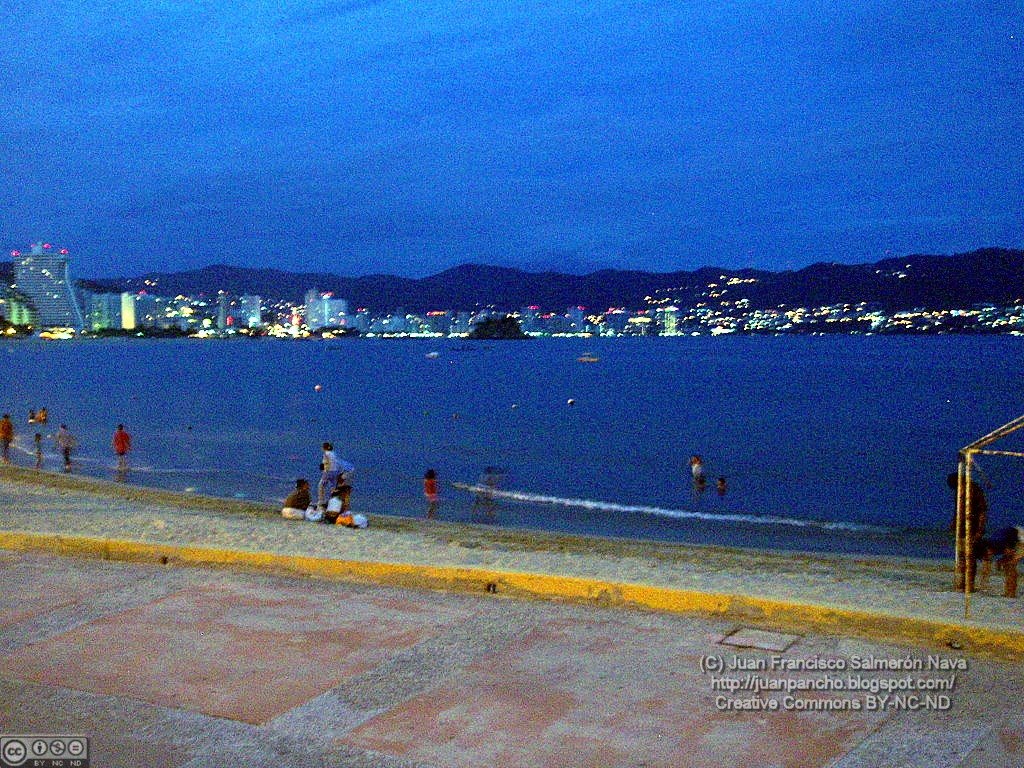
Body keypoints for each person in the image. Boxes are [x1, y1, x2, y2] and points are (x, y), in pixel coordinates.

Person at [947, 471, 989, 591]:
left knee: (970, 556)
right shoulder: (959, 491)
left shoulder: (974, 489)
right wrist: (954, 521)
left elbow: (982, 511)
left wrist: (980, 530)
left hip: (972, 526)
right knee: (962, 556)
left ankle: (969, 583)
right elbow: (958, 509)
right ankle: (963, 581)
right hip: (962, 527)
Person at [975, 526, 1024, 598]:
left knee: (1010, 565)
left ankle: (1011, 593)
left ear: (987, 549)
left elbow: (1010, 552)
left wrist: (1000, 561)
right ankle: (1009, 592)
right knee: (1007, 565)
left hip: (1020, 537)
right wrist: (983, 585)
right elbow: (986, 568)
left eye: (986, 555)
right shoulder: (988, 547)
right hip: (1012, 537)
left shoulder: (997, 542)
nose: (987, 557)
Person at [318, 442, 339, 508]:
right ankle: (334, 502)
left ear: (324, 448)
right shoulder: (334, 453)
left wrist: (323, 470)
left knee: (321, 486)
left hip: (328, 472)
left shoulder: (326, 454)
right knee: (333, 488)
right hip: (335, 471)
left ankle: (321, 501)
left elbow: (326, 463)